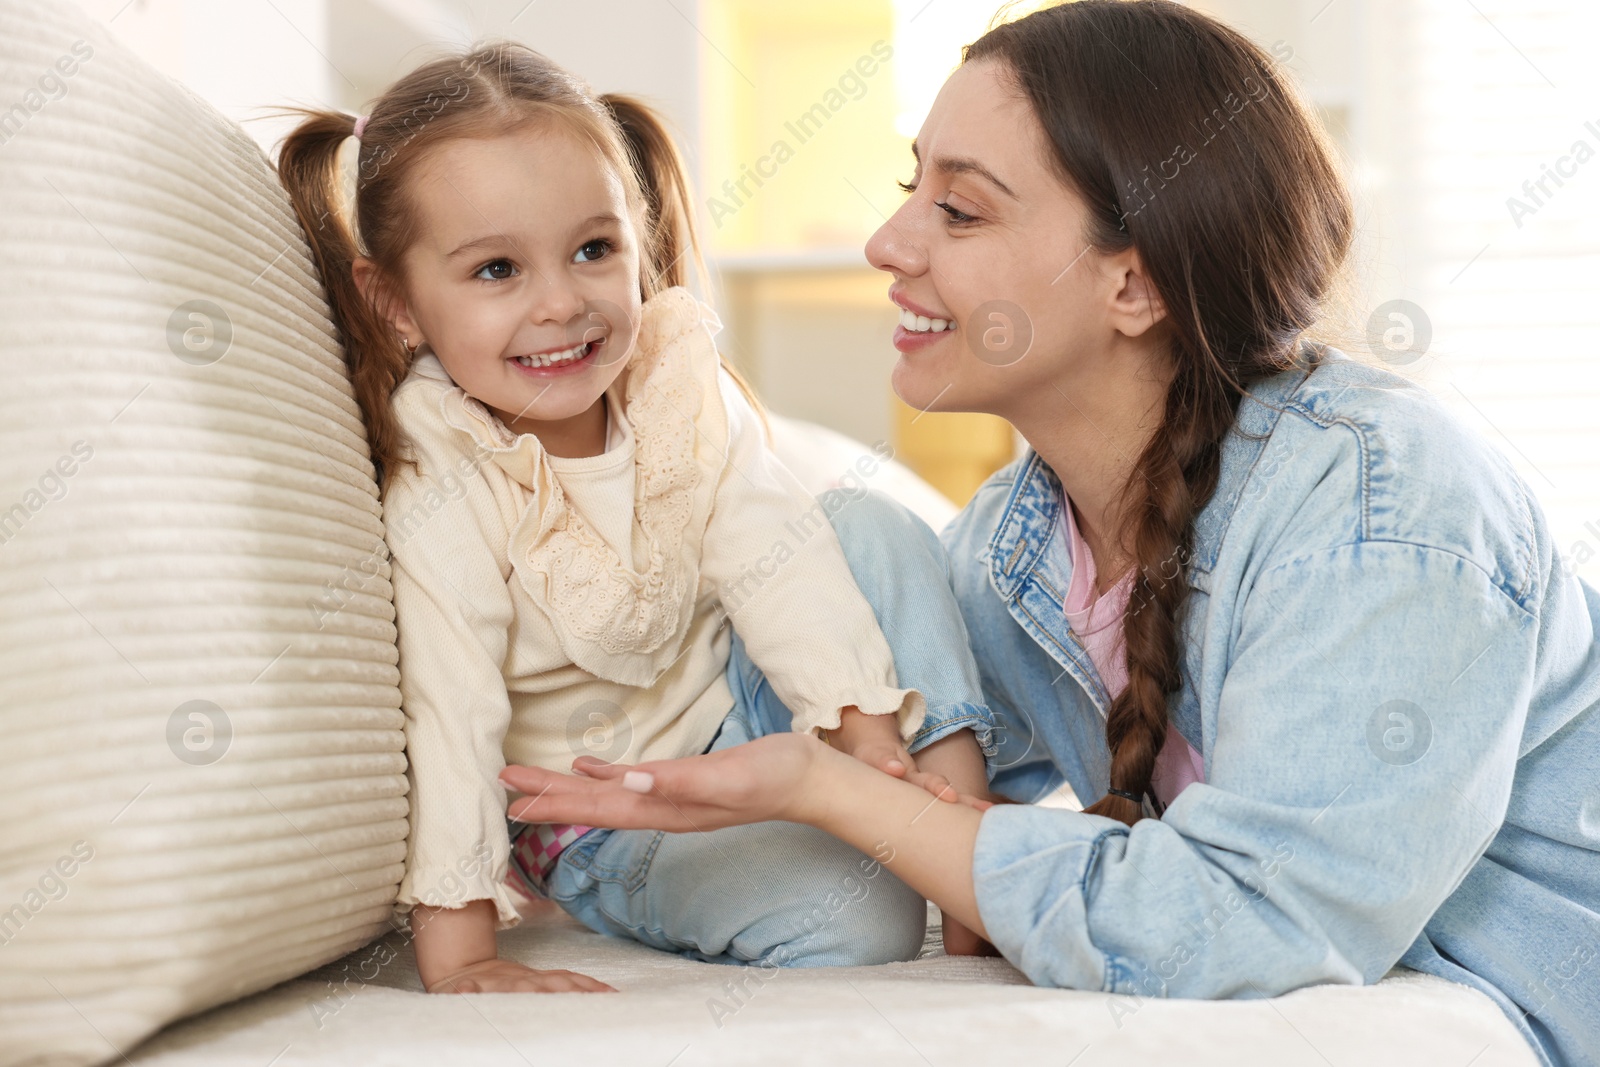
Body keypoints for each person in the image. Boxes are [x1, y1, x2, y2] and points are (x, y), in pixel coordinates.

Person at [498, 3, 1600, 1064]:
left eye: (961, 211)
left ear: (1134, 282)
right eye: (907, 189)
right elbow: (911, 776)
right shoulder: (1010, 547)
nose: (888, 242)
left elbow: (1245, 920)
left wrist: (825, 786)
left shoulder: (1388, 510)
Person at [275, 41, 996, 996]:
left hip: (752, 714)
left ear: (637, 241)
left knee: (865, 521)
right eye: (496, 269)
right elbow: (447, 706)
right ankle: (904, 855)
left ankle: (970, 849)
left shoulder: (674, 381)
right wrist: (462, 956)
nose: (562, 302)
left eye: (593, 249)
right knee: (857, 918)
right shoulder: (446, 466)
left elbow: (778, 560)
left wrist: (867, 744)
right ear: (396, 302)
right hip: (611, 808)